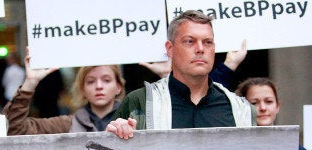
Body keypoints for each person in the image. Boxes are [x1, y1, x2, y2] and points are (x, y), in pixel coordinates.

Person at [109, 10, 256, 135]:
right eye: (189, 41)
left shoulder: (241, 109)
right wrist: (118, 135)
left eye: (207, 42)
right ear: (170, 48)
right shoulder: (140, 102)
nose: (200, 49)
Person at [4, 49, 125, 135]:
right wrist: (30, 82)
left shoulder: (135, 121)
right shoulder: (65, 125)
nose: (99, 86)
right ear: (82, 90)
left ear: (118, 87)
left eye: (106, 80)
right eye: (91, 81)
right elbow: (13, 129)